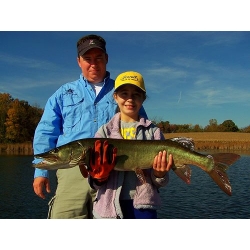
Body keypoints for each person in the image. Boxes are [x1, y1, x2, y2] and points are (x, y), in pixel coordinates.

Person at [32, 34, 148, 219]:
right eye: (87, 58)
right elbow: (46, 131)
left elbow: (141, 127)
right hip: (72, 171)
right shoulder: (63, 93)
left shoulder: (123, 91)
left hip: (113, 174)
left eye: (98, 58)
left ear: (106, 59)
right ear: (79, 61)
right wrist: (41, 171)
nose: (93, 64)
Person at [86, 71, 173, 219]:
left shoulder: (153, 132)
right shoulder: (104, 132)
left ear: (143, 98)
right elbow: (94, 183)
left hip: (144, 206)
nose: (130, 99)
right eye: (124, 93)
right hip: (108, 208)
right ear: (115, 97)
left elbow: (159, 182)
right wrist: (98, 177)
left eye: (136, 95)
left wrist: (159, 175)